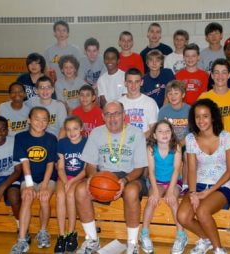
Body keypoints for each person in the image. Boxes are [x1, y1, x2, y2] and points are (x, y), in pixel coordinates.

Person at [75, 101, 148, 254]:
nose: (112, 118)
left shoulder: (136, 133)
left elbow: (140, 168)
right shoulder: (96, 133)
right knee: (81, 190)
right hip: (104, 175)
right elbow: (90, 164)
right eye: (108, 114)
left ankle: (133, 243)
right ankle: (92, 239)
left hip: (131, 175)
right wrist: (91, 177)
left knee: (131, 192)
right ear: (103, 116)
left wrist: (125, 180)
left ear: (124, 116)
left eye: (116, 113)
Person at [177, 98, 230, 254]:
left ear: (213, 117)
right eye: (197, 116)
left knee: (202, 211)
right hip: (198, 184)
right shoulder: (191, 139)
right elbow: (191, 169)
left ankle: (218, 249)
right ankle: (206, 239)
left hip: (221, 186)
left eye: (205, 116)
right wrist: (193, 193)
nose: (201, 120)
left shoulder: (226, 137)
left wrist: (209, 191)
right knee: (182, 216)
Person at [10, 107, 58, 253]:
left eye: (44, 119)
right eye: (37, 119)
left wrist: (44, 186)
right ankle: (22, 239)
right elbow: (24, 162)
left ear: (48, 122)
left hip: (47, 177)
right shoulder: (20, 137)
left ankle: (43, 232)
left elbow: (50, 164)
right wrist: (30, 185)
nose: (40, 122)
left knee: (44, 197)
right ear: (29, 120)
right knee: (27, 196)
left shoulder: (51, 138)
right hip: (28, 176)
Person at [140, 120, 188, 254]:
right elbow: (151, 172)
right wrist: (155, 191)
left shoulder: (176, 147)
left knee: (173, 201)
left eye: (167, 131)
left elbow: (176, 170)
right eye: (160, 131)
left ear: (172, 133)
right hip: (157, 181)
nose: (164, 134)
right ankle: (144, 233)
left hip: (174, 181)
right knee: (151, 201)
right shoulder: (150, 148)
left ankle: (181, 235)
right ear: (154, 135)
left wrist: (171, 191)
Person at [199, 58, 230, 181]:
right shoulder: (204, 97)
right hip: (208, 141)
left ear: (229, 75)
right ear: (212, 75)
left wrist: (227, 143)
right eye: (217, 72)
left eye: (224, 72)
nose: (220, 76)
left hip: (229, 140)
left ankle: (228, 186)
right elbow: (200, 125)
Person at [54, 116, 87, 254]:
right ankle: (61, 235)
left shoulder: (87, 143)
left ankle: (71, 233)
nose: (72, 132)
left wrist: (72, 182)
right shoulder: (62, 143)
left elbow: (86, 170)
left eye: (75, 128)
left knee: (70, 195)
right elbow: (60, 167)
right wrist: (66, 181)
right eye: (68, 129)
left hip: (79, 177)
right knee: (60, 196)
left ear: (81, 128)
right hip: (64, 177)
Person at [0, 116, 22, 234]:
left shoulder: (14, 142)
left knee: (14, 196)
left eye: (2, 129)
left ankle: (21, 227)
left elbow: (18, 171)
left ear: (7, 131)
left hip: (10, 177)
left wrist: (1, 188)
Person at [158, 80, 190, 190]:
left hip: (185, 142)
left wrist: (180, 143)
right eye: (170, 93)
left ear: (183, 95)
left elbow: (193, 132)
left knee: (187, 154)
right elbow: (159, 130)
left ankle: (185, 185)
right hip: (167, 141)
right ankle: (163, 180)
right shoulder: (163, 111)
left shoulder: (190, 110)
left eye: (176, 93)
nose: (173, 96)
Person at [119, 68, 158, 138]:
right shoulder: (119, 103)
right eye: (130, 82)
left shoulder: (150, 103)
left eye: (137, 82)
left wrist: (139, 139)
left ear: (141, 82)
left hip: (144, 143)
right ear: (125, 83)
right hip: (124, 143)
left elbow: (153, 128)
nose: (133, 85)